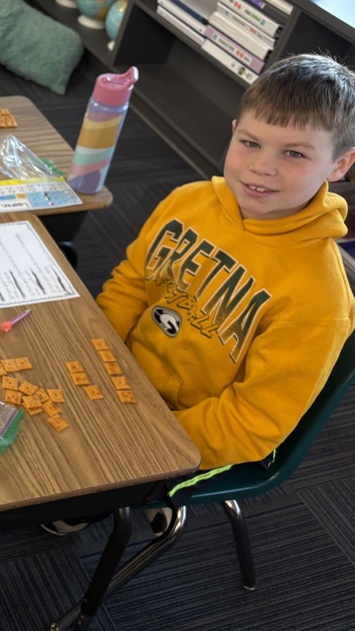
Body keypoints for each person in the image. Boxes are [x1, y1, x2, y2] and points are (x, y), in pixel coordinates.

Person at [102, 53, 355, 476]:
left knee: (68, 476)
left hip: (193, 434)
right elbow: (130, 284)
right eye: (250, 143)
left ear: (340, 164)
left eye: (294, 153)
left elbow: (251, 424)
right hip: (123, 377)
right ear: (234, 132)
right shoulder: (188, 200)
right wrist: (97, 357)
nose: (262, 166)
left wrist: (142, 435)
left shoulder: (320, 299)